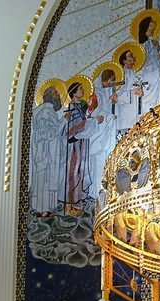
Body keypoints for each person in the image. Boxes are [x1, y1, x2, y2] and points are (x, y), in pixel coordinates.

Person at [30, 86, 65, 212]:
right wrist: (63, 121)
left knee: (43, 179)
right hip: (45, 152)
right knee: (44, 180)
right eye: (57, 94)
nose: (59, 97)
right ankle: (42, 209)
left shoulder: (39, 110)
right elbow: (49, 133)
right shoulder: (47, 112)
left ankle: (45, 207)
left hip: (43, 150)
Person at [63, 82, 93, 215]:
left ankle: (78, 200)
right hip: (74, 143)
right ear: (74, 93)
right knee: (74, 171)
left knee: (81, 170)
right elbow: (70, 127)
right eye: (80, 89)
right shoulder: (70, 108)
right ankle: (71, 202)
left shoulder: (83, 106)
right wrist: (83, 124)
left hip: (83, 141)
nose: (83, 91)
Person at [88, 69, 118, 198]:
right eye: (110, 80)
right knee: (98, 161)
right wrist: (107, 117)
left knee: (107, 158)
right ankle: (96, 190)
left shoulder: (109, 92)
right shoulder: (95, 95)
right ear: (104, 80)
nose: (111, 83)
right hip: (98, 132)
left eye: (112, 80)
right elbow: (90, 114)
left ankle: (107, 189)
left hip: (107, 130)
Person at [137, 17, 160, 115]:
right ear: (145, 27)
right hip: (148, 74)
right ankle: (148, 116)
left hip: (155, 73)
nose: (152, 29)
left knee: (156, 96)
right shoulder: (143, 44)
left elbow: (153, 56)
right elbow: (145, 60)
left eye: (153, 26)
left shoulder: (151, 42)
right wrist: (159, 55)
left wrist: (158, 51)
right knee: (149, 98)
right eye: (151, 26)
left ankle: (155, 114)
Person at [116, 49, 145, 132]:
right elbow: (117, 96)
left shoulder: (133, 73)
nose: (133, 58)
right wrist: (133, 92)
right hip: (126, 113)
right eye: (130, 56)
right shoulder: (121, 75)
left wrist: (140, 90)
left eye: (132, 55)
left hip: (136, 111)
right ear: (124, 60)